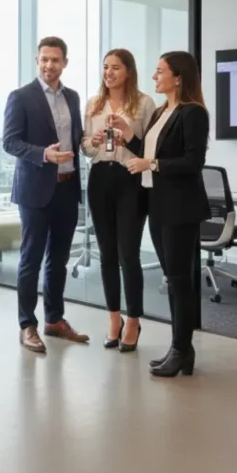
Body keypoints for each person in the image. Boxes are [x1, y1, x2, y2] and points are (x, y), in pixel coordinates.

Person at [110, 51, 209, 377]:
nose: (155, 77)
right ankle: (181, 349)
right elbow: (147, 152)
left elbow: (192, 163)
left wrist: (151, 164)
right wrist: (128, 134)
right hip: (159, 205)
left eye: (160, 71)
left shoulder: (193, 113)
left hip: (181, 207)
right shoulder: (162, 112)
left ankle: (181, 349)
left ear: (178, 77)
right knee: (173, 279)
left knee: (180, 281)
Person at [3, 36, 90, 353]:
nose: (49, 65)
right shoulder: (21, 97)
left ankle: (54, 319)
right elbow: (10, 142)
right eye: (44, 59)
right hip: (35, 190)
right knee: (31, 259)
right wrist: (43, 154)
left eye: (55, 59)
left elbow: (77, 138)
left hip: (67, 187)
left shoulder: (74, 97)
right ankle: (28, 324)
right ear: (37, 61)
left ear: (65, 62)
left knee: (59, 259)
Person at [81, 49, 156, 352]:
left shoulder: (144, 103)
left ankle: (134, 320)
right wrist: (93, 142)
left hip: (130, 179)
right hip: (100, 178)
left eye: (115, 68)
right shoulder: (94, 103)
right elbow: (85, 147)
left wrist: (127, 136)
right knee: (107, 254)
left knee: (128, 254)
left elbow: (150, 149)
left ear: (128, 72)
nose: (108, 73)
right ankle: (114, 318)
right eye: (105, 67)